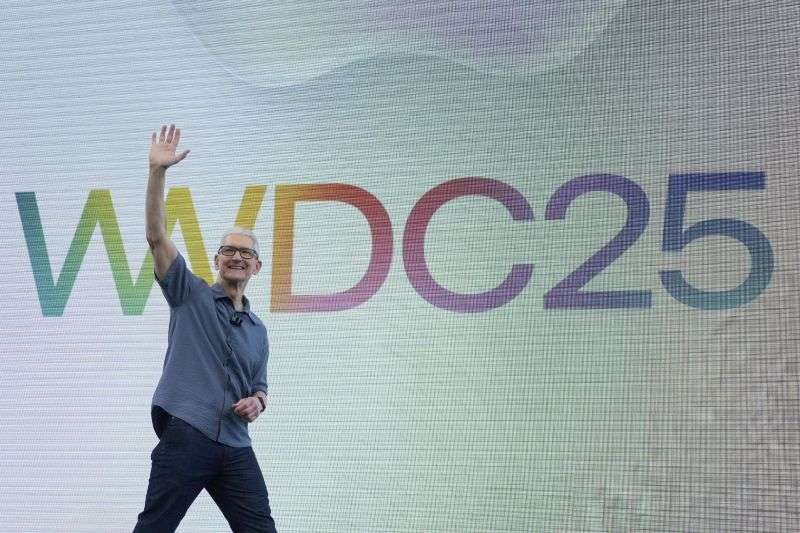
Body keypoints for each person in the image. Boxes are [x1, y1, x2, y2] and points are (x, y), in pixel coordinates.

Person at [133, 124, 278, 532]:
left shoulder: (257, 329)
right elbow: (156, 235)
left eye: (245, 253)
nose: (237, 257)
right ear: (216, 260)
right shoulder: (189, 294)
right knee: (155, 526)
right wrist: (157, 171)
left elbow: (260, 386)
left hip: (235, 445)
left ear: (257, 266)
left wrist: (259, 402)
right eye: (228, 250)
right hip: (188, 434)